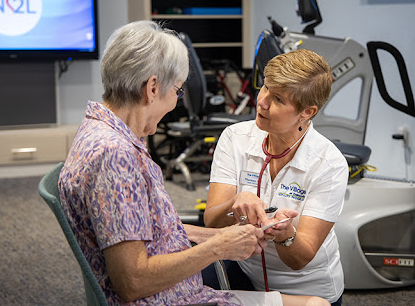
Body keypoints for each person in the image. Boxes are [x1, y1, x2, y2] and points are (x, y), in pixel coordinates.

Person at [58, 20, 329, 306]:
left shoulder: (96, 130)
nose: (175, 103)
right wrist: (218, 247)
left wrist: (223, 236)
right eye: (176, 91)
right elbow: (133, 282)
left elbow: (142, 232)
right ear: (152, 88)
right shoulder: (116, 156)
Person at [204, 49, 349, 306]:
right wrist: (235, 202)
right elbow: (212, 223)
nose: (262, 102)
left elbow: (299, 259)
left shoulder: (329, 164)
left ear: (307, 112)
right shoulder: (235, 138)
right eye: (265, 88)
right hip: (244, 272)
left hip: (306, 288)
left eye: (279, 99)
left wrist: (285, 234)